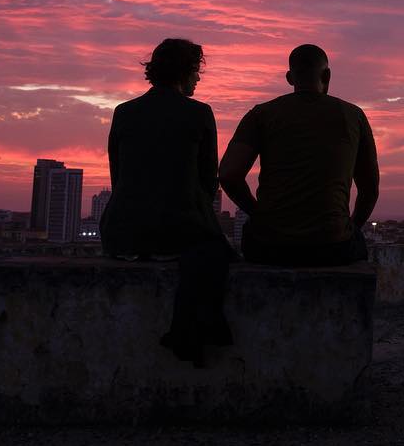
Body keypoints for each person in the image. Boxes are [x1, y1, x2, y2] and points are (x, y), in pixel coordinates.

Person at [101, 38, 234, 366]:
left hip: (121, 235)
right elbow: (208, 182)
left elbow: (119, 178)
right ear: (185, 72)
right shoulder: (199, 113)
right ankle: (197, 330)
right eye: (196, 71)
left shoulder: (124, 112)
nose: (198, 78)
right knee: (217, 251)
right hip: (177, 233)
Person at [219, 44, 379, 266]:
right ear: (327, 75)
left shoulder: (261, 114)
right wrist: (351, 227)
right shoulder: (354, 116)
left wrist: (258, 214)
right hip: (333, 246)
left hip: (270, 246)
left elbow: (228, 174)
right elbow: (370, 188)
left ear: (289, 78)